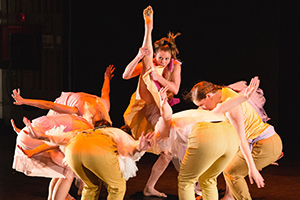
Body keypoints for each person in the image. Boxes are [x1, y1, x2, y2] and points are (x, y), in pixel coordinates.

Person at [151, 77, 260, 200]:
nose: (202, 108)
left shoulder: (165, 127)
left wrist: (163, 105)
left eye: (202, 104)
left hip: (209, 137)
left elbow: (166, 117)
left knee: (186, 181)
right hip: (231, 139)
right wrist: (244, 97)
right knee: (208, 179)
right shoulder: (212, 111)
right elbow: (224, 106)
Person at [186, 79, 283, 200]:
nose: (202, 108)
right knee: (224, 161)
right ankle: (228, 196)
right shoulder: (222, 93)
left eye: (201, 105)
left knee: (232, 172)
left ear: (209, 96)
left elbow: (242, 139)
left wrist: (252, 168)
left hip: (264, 143)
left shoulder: (231, 106)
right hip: (260, 142)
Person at [122, 6, 181, 197]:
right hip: (145, 105)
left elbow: (175, 89)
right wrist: (139, 56)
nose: (163, 60)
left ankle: (150, 187)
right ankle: (148, 28)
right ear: (155, 55)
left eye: (166, 58)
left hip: (160, 108)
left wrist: (160, 77)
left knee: (168, 153)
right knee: (147, 69)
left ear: (171, 57)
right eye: (160, 57)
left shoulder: (175, 67)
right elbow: (125, 75)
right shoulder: (150, 63)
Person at [22, 118, 155, 200]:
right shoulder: (119, 133)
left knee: (91, 186)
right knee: (117, 187)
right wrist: (140, 147)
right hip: (96, 150)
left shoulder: (92, 130)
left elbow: (61, 138)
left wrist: (41, 136)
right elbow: (131, 149)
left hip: (73, 149)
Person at [12, 114, 93, 200]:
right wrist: (34, 151)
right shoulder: (86, 131)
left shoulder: (79, 120)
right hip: (34, 136)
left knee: (62, 170)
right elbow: (58, 141)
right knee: (70, 168)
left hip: (27, 132)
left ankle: (55, 197)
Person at [11, 65, 115, 128]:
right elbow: (49, 105)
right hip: (63, 101)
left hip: (77, 101)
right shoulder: (79, 110)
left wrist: (107, 78)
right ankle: (27, 132)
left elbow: (105, 91)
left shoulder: (105, 105)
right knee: (47, 126)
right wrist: (24, 101)